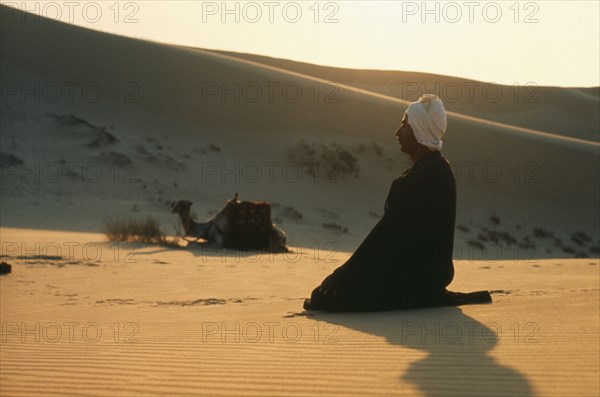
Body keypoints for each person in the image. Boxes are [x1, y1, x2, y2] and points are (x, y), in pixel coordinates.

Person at [304, 94, 457, 312]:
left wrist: (345, 271)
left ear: (418, 129)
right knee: (328, 294)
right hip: (417, 272)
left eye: (405, 124)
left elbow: (387, 232)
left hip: (419, 278)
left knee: (324, 298)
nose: (397, 132)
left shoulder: (431, 173)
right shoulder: (430, 169)